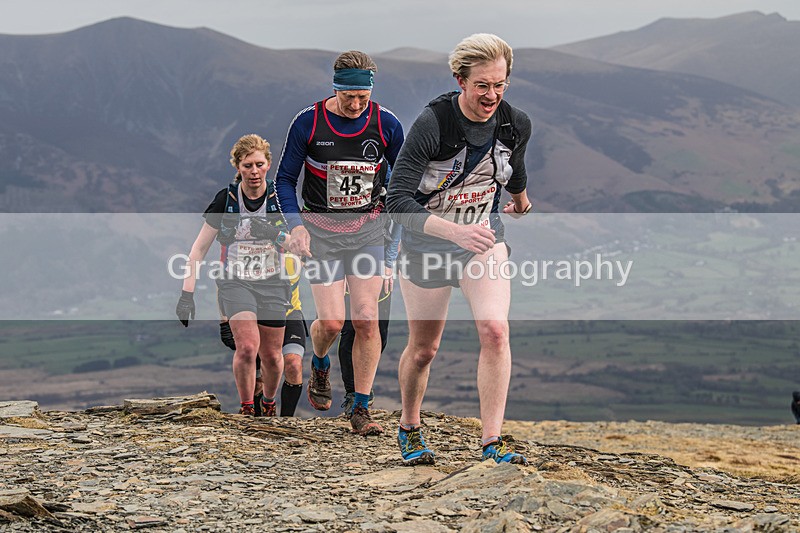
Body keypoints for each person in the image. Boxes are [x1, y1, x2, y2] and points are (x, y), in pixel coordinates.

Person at [386, 34, 533, 465]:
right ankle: (410, 428)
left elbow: (513, 167)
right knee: (424, 349)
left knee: (495, 330)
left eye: (500, 85)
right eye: (482, 85)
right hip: (426, 244)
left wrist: (521, 201)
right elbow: (397, 200)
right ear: (460, 80)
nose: (492, 95)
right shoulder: (434, 123)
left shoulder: (514, 122)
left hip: (483, 243)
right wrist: (454, 233)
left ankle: (492, 442)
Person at [275, 50, 404, 435]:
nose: (356, 105)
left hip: (368, 231)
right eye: (349, 96)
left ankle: (361, 408)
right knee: (331, 322)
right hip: (321, 232)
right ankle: (319, 362)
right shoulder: (309, 122)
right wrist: (296, 226)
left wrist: (392, 254)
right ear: (335, 88)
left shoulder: (386, 124)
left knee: (366, 319)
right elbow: (283, 179)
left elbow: (404, 183)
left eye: (363, 97)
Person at [176, 134, 291, 417]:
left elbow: (300, 244)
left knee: (274, 357)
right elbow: (199, 249)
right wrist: (186, 294)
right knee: (248, 347)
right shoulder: (226, 200)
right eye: (248, 165)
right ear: (238, 167)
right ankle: (247, 406)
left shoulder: (279, 198)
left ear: (268, 165)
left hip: (273, 281)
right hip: (235, 281)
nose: (254, 171)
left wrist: (273, 233)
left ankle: (268, 401)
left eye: (260, 164)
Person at [218, 253, 307, 417]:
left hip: (291, 313)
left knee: (294, 364)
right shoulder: (255, 248)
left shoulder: (296, 246)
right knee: (258, 381)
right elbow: (224, 285)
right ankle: (254, 417)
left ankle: (285, 420)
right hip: (259, 316)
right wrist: (224, 321)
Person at [338, 220, 401, 414]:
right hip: (348, 256)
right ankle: (353, 395)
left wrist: (389, 263)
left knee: (378, 333)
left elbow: (399, 223)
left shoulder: (389, 191)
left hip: (379, 257)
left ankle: (364, 387)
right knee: (351, 329)